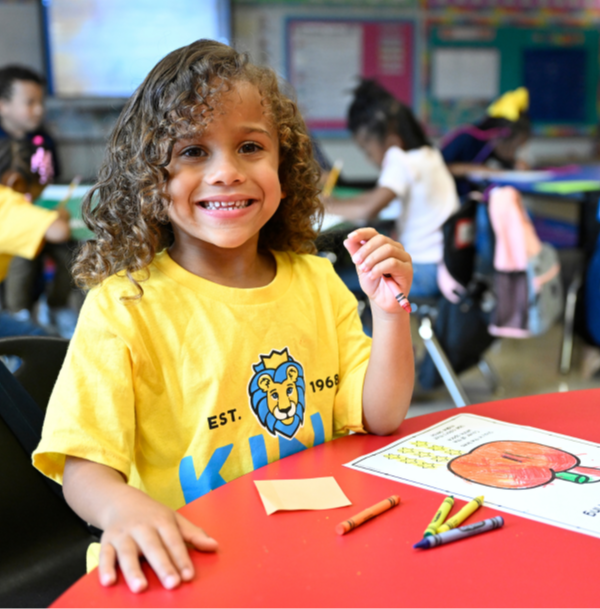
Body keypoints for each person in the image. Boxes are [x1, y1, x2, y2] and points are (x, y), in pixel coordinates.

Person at [32, 40, 414, 594]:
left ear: (284, 164)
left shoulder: (317, 282)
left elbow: (380, 415)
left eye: (251, 147)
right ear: (149, 178)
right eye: (192, 152)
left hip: (314, 552)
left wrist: (390, 312)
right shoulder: (124, 306)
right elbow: (82, 466)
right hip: (187, 564)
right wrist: (123, 511)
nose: (226, 173)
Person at [325, 79, 459, 298]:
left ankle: (367, 332)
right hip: (443, 265)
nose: (370, 159)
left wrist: (328, 205)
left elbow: (367, 209)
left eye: (367, 151)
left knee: (333, 280)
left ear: (391, 140)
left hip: (421, 270)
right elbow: (376, 198)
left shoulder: (399, 159)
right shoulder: (429, 155)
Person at [0, 64, 77, 338]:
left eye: (40, 102)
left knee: (70, 252)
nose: (38, 109)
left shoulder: (44, 140)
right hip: (13, 223)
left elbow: (51, 178)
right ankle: (17, 315)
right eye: (29, 103)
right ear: (3, 105)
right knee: (25, 256)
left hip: (44, 213)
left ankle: (57, 307)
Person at [0, 180, 70, 337]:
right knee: (36, 338)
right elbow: (59, 231)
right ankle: (22, 314)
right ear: (13, 180)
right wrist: (61, 216)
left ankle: (23, 313)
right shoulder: (5, 203)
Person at [440, 87, 531, 198]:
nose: (516, 151)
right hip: (448, 200)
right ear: (502, 136)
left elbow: (505, 160)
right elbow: (442, 167)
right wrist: (479, 170)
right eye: (516, 146)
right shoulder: (466, 136)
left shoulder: (491, 146)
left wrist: (516, 164)